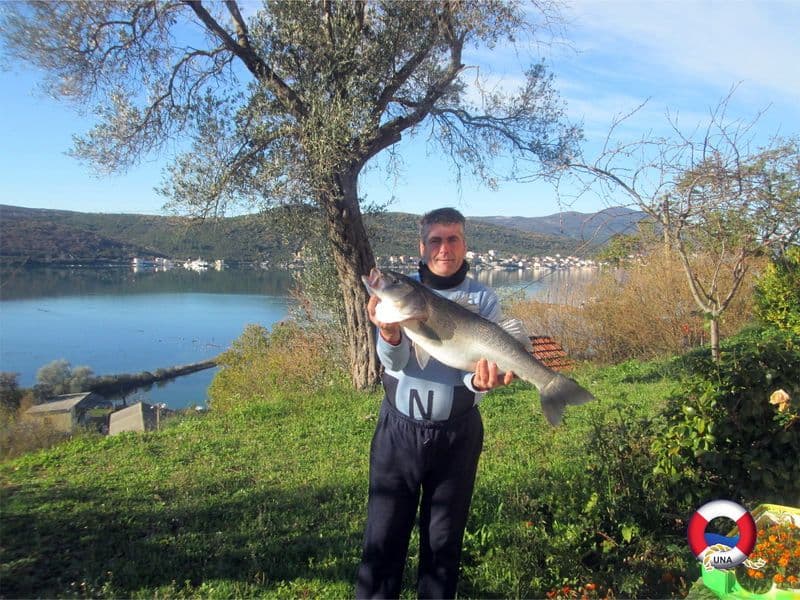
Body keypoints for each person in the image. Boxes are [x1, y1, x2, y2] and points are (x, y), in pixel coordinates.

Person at [356, 207, 513, 599]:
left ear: (464, 243)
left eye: (453, 238)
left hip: (457, 435)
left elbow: (469, 372)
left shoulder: (483, 298)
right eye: (436, 240)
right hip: (399, 434)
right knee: (383, 538)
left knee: (443, 543)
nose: (445, 248)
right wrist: (389, 334)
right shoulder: (402, 293)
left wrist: (479, 382)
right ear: (422, 246)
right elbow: (394, 364)